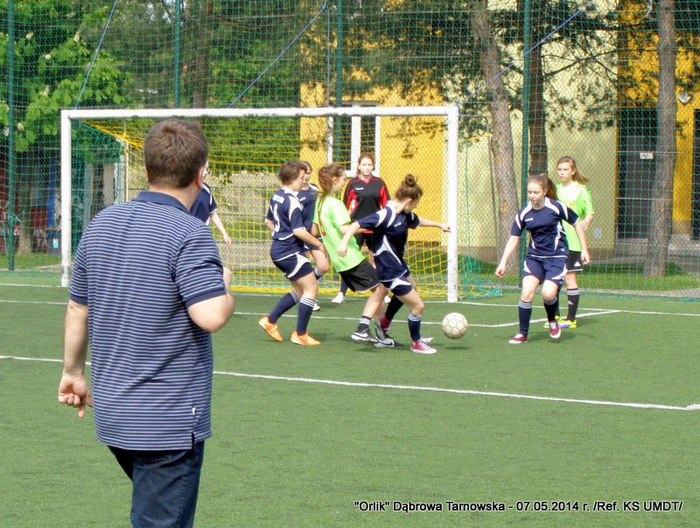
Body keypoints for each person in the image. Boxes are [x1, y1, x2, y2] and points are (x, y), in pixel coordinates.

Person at [58, 118, 235, 527]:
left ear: (147, 168)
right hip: (165, 422)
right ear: (201, 174)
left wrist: (72, 373)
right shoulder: (190, 233)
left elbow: (77, 309)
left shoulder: (100, 224)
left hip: (114, 414)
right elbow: (210, 315)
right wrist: (225, 284)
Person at [338, 174, 450, 355]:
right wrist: (343, 244)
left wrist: (440, 225)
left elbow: (417, 220)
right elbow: (356, 224)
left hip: (399, 265)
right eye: (416, 203)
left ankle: (384, 322)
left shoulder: (404, 213)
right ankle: (416, 343)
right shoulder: (386, 214)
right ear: (409, 201)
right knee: (418, 306)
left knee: (413, 286)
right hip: (389, 270)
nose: (415, 207)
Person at [495, 173, 590, 345]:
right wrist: (503, 261)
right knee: (527, 292)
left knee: (548, 294)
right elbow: (514, 238)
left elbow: (576, 222)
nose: (532, 196)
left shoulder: (556, 207)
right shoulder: (524, 213)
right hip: (535, 258)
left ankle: (552, 320)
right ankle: (522, 333)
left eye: (536, 192)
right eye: (530, 192)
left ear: (545, 191)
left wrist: (584, 249)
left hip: (557, 257)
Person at [313, 163, 398, 346]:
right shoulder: (335, 204)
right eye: (343, 179)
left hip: (339, 260)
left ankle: (381, 334)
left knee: (378, 290)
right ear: (335, 180)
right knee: (382, 288)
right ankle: (363, 328)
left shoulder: (320, 202)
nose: (345, 182)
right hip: (350, 257)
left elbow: (314, 229)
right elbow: (345, 229)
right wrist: (372, 226)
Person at [259, 161, 324, 346]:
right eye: (301, 177)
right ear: (293, 178)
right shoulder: (293, 201)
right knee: (311, 288)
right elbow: (299, 231)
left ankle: (270, 321)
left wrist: (280, 234)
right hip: (289, 251)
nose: (304, 180)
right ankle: (300, 334)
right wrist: (318, 244)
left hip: (279, 250)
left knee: (299, 290)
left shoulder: (277, 195)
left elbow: (269, 221)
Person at [332, 152, 390, 304]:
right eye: (364, 164)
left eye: (369, 165)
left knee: (376, 258)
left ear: (373, 166)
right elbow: (344, 207)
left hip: (374, 228)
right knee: (349, 258)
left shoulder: (379, 183)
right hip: (356, 227)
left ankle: (382, 292)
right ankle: (342, 293)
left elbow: (386, 206)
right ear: (358, 166)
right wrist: (345, 225)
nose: (367, 167)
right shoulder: (352, 184)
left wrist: (385, 223)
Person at [552, 156, 595, 328]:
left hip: (573, 242)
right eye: (559, 169)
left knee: (569, 277)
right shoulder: (553, 190)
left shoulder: (581, 190)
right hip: (555, 241)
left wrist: (586, 221)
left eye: (565, 169)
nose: (562, 172)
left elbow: (590, 212)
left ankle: (571, 319)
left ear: (573, 171)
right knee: (553, 278)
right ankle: (554, 317)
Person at [191, 180, 232, 245]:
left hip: (203, 235)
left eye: (206, 170)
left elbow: (212, 213)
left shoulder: (207, 189)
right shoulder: (185, 188)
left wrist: (224, 233)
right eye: (202, 171)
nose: (204, 174)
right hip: (188, 235)